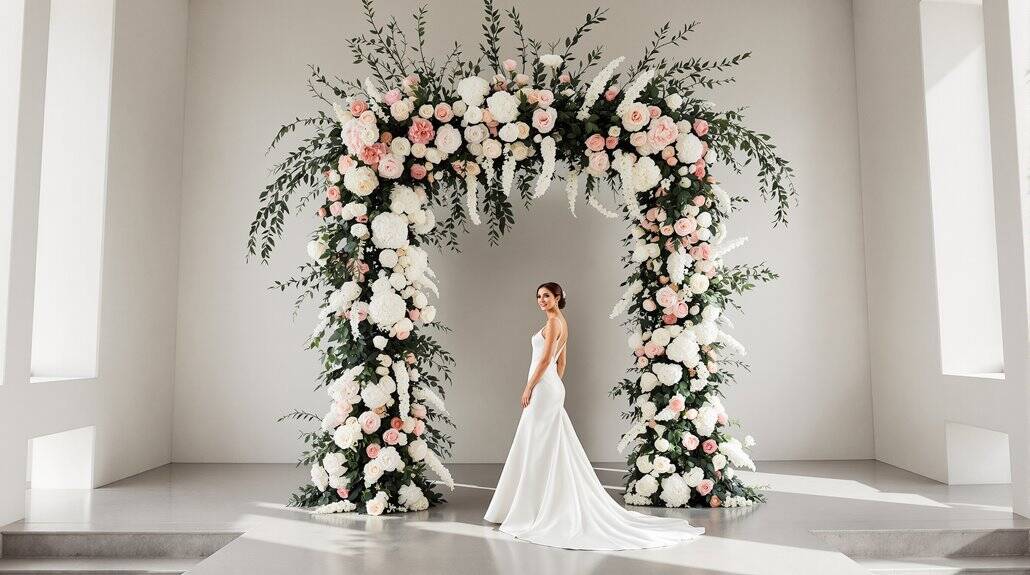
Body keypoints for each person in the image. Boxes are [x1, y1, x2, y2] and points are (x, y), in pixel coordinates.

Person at [483, 282, 705, 550]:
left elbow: (544, 361)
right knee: (542, 443)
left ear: (557, 298)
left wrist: (530, 387)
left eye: (546, 296)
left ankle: (531, 508)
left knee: (540, 445)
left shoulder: (554, 322)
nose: (541, 300)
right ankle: (531, 503)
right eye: (539, 296)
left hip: (543, 387)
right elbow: (561, 362)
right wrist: (554, 386)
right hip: (550, 387)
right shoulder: (561, 322)